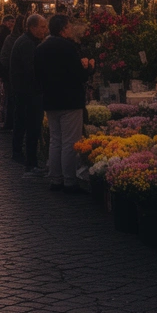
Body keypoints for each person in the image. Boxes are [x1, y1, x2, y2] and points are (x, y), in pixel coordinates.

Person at [37, 15, 88, 192]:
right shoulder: (68, 47)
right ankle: (69, 180)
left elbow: (37, 74)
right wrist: (88, 67)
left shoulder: (41, 47)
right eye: (68, 27)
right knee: (70, 141)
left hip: (51, 100)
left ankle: (55, 178)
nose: (71, 29)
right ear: (62, 29)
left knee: (55, 140)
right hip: (70, 100)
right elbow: (79, 75)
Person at [11, 14, 47, 176]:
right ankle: (30, 162)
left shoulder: (27, 41)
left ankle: (18, 153)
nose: (45, 30)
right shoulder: (27, 44)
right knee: (31, 125)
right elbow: (32, 69)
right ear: (32, 27)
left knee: (21, 122)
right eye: (42, 27)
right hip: (29, 92)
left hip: (24, 90)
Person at [0, 15, 24, 133]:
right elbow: (4, 58)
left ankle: (11, 123)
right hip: (12, 76)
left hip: (12, 75)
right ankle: (12, 123)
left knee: (12, 99)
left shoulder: (11, 38)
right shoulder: (12, 39)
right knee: (12, 99)